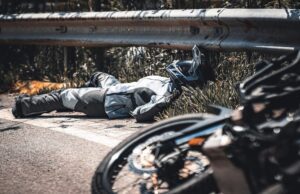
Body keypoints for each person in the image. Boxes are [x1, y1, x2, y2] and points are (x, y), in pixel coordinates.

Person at [12, 46, 214, 122]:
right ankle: (75, 101)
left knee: (62, 95)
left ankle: (23, 107)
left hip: (106, 100)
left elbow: (141, 114)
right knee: (98, 75)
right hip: (117, 88)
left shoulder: (166, 94)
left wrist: (165, 102)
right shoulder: (168, 84)